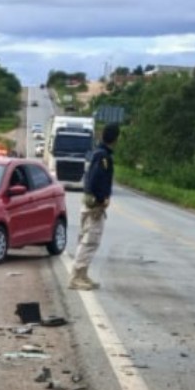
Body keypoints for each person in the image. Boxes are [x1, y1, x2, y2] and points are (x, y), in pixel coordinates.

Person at [69, 123, 118, 290]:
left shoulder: (96, 154)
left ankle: (82, 274)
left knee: (86, 239)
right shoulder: (103, 157)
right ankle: (76, 276)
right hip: (94, 206)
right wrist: (102, 198)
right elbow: (97, 179)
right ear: (116, 139)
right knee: (90, 241)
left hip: (88, 202)